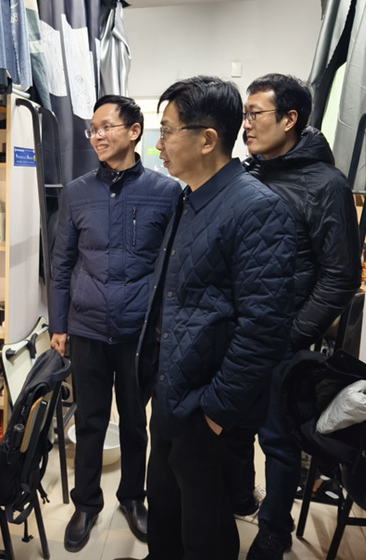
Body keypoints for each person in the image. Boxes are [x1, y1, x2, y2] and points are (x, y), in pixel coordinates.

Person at [122, 76, 296, 560]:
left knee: (204, 533)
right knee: (166, 514)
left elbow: (263, 330)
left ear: (207, 139)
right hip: (174, 394)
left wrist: (215, 415)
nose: (158, 144)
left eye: (167, 131)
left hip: (208, 409)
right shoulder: (191, 196)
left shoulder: (257, 208)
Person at [49, 94, 181, 553]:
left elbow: (172, 267)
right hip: (86, 328)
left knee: (134, 421)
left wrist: (163, 325)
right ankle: (86, 503)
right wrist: (59, 324)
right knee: (89, 420)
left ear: (135, 131)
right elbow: (61, 263)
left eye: (107, 126)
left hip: (139, 333)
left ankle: (132, 497)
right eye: (93, 129)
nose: (97, 136)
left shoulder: (167, 192)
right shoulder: (77, 191)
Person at [242, 74, 362, 560]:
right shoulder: (250, 174)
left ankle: (274, 527)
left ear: (290, 119)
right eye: (245, 114)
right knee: (232, 424)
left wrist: (290, 336)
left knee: (277, 438)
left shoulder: (326, 185)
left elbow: (340, 277)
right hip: (238, 332)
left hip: (281, 338)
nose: (246, 124)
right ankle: (240, 497)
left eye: (255, 114)